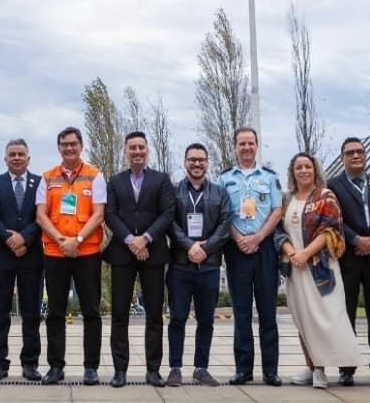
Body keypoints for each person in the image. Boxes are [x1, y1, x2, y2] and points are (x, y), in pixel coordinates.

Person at [276, 152, 360, 389]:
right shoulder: (287, 199)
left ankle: (323, 368)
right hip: (294, 267)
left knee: (326, 317)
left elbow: (330, 230)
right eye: (298, 167)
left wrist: (305, 253)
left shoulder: (325, 196)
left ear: (315, 170)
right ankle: (312, 366)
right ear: (293, 172)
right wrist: (292, 252)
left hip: (320, 268)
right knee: (303, 319)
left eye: (307, 167)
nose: (303, 171)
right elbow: (278, 232)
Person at [35, 126, 106, 386]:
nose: (69, 148)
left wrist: (77, 240)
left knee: (91, 311)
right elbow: (41, 215)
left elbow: (98, 214)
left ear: (81, 146)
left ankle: (91, 367)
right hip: (55, 252)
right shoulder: (47, 178)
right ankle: (56, 366)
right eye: (64, 144)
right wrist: (62, 241)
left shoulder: (94, 176)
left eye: (73, 144)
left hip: (87, 252)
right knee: (55, 312)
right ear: (59, 147)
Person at [105, 131, 176, 388]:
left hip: (153, 253)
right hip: (122, 254)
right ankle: (119, 370)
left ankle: (153, 370)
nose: (137, 151)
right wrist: (130, 241)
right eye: (132, 147)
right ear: (125, 150)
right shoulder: (114, 181)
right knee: (119, 315)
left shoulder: (162, 179)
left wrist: (145, 239)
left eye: (141, 147)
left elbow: (168, 213)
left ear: (148, 150)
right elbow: (110, 214)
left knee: (155, 315)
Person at [326, 137, 370, 387]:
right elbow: (332, 220)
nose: (356, 156)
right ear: (342, 158)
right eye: (350, 153)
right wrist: (356, 239)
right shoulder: (333, 186)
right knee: (345, 316)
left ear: (365, 155)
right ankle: (346, 368)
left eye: (359, 151)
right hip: (348, 260)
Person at [219, 126, 283, 386]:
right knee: (242, 312)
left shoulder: (269, 177)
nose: (246, 148)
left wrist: (257, 238)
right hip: (236, 250)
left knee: (268, 312)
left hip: (264, 248)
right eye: (241, 143)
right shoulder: (224, 179)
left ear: (257, 146)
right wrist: (239, 239)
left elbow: (277, 211)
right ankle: (243, 369)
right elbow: (223, 215)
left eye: (250, 143)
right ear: (235, 147)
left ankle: (271, 370)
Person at [164, 143, 232, 387]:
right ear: (185, 162)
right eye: (192, 159)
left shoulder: (219, 193)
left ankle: (201, 368)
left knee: (206, 320)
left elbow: (226, 225)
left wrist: (205, 248)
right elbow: (169, 222)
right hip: (180, 265)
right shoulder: (173, 192)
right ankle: (175, 368)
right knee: (177, 318)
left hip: (210, 265)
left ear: (207, 163)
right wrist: (189, 246)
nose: (197, 164)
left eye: (201, 160)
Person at [0, 139, 44, 382]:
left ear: (28, 158)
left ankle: (30, 363)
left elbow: (44, 217)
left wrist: (25, 239)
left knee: (30, 313)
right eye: (12, 154)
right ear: (5, 159)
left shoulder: (41, 183)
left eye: (21, 154)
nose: (16, 158)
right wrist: (10, 239)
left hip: (31, 257)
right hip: (1, 256)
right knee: (0, 313)